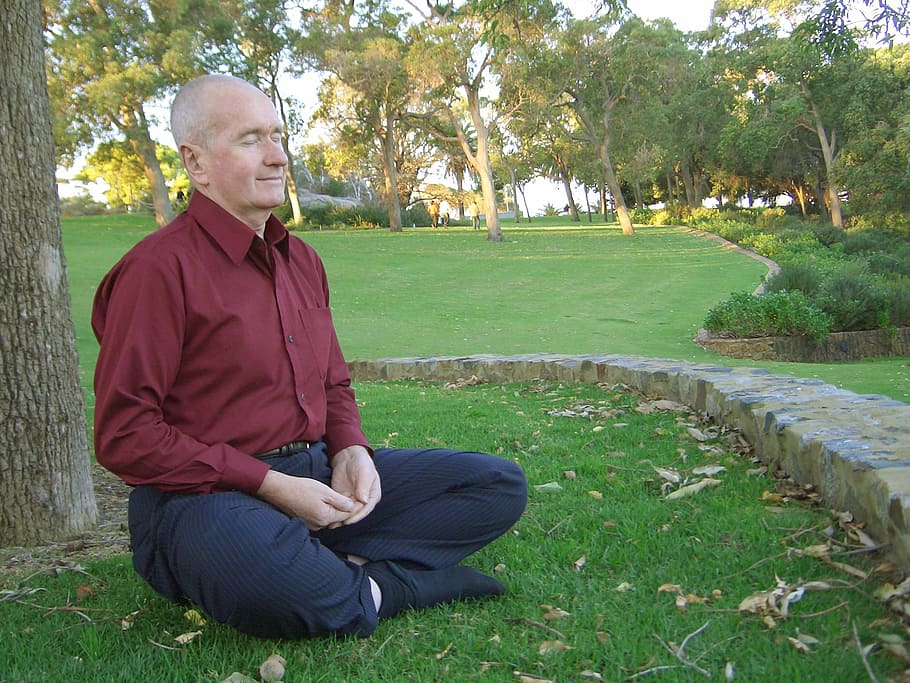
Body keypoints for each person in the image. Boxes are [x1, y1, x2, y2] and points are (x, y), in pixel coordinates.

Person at [91, 74, 527, 640]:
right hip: (207, 500)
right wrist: (269, 485)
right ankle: (389, 587)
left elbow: (333, 383)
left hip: (314, 474)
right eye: (251, 140)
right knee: (248, 560)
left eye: (278, 136)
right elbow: (126, 435)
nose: (277, 156)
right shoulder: (158, 271)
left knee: (496, 485)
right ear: (195, 162)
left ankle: (331, 568)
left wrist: (351, 449)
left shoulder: (302, 262)